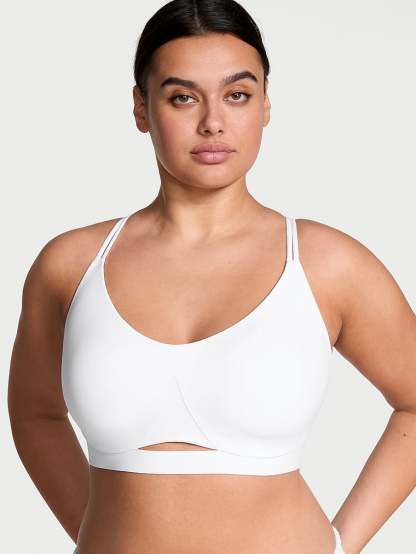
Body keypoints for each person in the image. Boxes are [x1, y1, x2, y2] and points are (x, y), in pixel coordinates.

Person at [8, 1, 416, 553]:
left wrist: (341, 545)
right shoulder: (71, 264)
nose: (213, 122)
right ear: (141, 108)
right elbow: (34, 413)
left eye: (237, 95)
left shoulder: (327, 263)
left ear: (265, 105)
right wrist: (95, 532)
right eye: (183, 97)